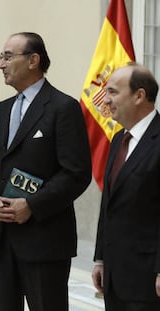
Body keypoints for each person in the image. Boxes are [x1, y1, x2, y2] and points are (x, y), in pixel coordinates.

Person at [0, 32, 92, 311]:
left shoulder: (63, 108)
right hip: (2, 241)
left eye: (7, 56)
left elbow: (76, 173)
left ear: (33, 60)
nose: (1, 64)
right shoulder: (1, 111)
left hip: (45, 239)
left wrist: (32, 205)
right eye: (1, 57)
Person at [92, 63, 160, 310]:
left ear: (139, 96)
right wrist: (100, 258)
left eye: (112, 92)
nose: (105, 100)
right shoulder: (119, 139)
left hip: (148, 279)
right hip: (114, 276)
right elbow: (109, 203)